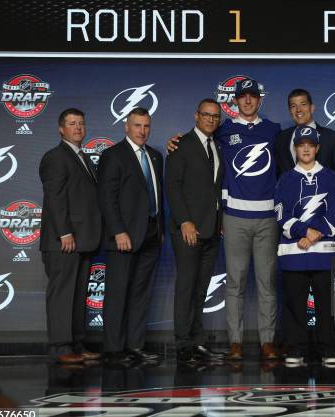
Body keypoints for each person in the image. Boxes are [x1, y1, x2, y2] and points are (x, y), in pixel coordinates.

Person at [216, 79, 282, 360]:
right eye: (242, 97)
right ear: (235, 101)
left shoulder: (274, 130)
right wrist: (176, 141)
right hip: (234, 217)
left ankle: (267, 341)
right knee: (236, 282)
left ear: (259, 100)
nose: (247, 101)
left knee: (267, 282)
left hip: (267, 218)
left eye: (252, 96)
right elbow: (199, 143)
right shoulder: (224, 130)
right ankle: (235, 342)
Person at [98, 107, 164, 365]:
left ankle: (134, 347)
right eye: (137, 125)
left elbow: (157, 197)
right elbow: (106, 198)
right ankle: (114, 350)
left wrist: (159, 230)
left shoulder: (156, 157)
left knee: (140, 293)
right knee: (117, 293)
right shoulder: (113, 155)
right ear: (126, 126)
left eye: (146, 126)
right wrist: (118, 231)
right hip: (123, 237)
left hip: (150, 235)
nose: (142, 131)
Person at [275, 126, 335, 366]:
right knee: (295, 304)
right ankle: (296, 347)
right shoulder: (285, 179)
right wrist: (303, 231)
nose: (305, 149)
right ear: (295, 149)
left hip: (323, 253)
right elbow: (281, 214)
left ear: (317, 148)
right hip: (294, 253)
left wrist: (313, 235)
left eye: (310, 145)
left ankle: (328, 348)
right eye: (301, 145)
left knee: (326, 305)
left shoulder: (330, 177)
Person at [39, 108, 102, 365]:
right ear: (61, 129)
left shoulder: (83, 157)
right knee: (62, 295)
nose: (78, 128)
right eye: (72, 124)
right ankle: (60, 347)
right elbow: (55, 199)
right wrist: (64, 232)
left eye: (81, 123)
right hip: (63, 240)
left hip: (83, 240)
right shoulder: (55, 157)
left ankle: (76, 343)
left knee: (77, 296)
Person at [165, 98, 226, 364]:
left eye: (215, 116)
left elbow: (214, 189)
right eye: (206, 115)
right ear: (196, 116)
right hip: (188, 230)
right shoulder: (180, 145)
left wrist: (219, 219)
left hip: (212, 229)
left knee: (201, 288)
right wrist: (184, 221)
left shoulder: (218, 146)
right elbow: (173, 187)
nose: (211, 120)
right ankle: (182, 346)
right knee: (187, 287)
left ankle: (197, 342)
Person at [275, 88, 335, 181]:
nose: (298, 110)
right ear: (289, 111)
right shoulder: (281, 138)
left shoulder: (332, 138)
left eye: (303, 104)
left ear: (312, 108)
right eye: (293, 106)